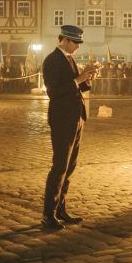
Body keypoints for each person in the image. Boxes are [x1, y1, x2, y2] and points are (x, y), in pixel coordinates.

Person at [41, 25, 99, 229]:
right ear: (64, 39)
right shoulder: (51, 60)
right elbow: (54, 91)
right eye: (75, 42)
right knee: (59, 167)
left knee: (70, 167)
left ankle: (60, 209)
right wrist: (78, 79)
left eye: (79, 43)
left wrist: (87, 79)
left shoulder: (69, 59)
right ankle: (48, 214)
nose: (77, 47)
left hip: (76, 117)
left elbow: (78, 86)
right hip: (62, 118)